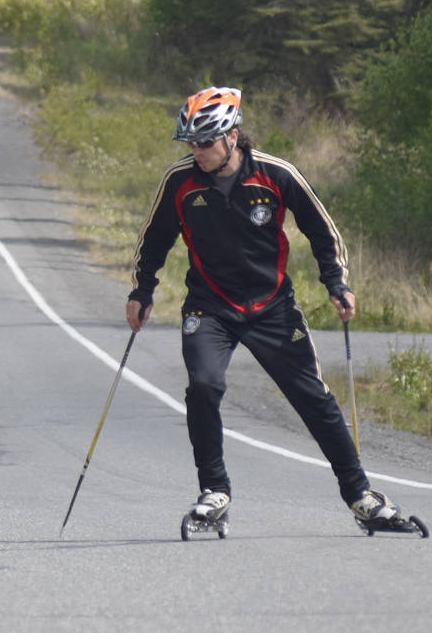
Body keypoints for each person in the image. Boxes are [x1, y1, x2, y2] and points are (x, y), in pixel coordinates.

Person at [127, 87, 412, 530]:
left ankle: (362, 497)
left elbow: (322, 230)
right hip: (210, 305)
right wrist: (142, 291)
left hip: (272, 306)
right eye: (190, 142)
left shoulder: (276, 175)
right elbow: (155, 237)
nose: (195, 151)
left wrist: (336, 283)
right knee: (203, 386)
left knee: (314, 400)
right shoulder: (179, 182)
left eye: (204, 142)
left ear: (233, 136)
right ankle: (214, 491)